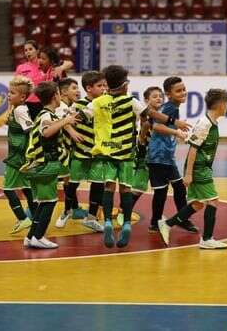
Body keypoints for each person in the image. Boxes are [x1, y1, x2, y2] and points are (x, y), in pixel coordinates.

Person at [79, 65, 191, 249]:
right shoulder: (131, 101)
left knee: (109, 187)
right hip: (125, 153)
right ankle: (126, 226)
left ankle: (107, 222)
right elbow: (151, 114)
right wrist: (174, 121)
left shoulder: (97, 102)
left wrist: (66, 120)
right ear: (124, 85)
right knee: (125, 189)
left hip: (106, 153)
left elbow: (81, 117)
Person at [158, 89, 227, 250]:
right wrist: (189, 174)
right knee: (213, 200)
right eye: (226, 103)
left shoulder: (211, 122)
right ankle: (207, 239)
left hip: (203, 167)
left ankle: (167, 224)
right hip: (198, 168)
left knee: (197, 204)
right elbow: (193, 149)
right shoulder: (205, 124)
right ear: (220, 104)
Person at [21, 81, 78, 249]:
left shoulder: (46, 114)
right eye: (59, 94)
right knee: (49, 202)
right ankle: (39, 236)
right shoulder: (46, 115)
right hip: (45, 164)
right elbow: (46, 132)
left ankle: (31, 236)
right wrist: (65, 120)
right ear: (55, 96)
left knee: (43, 202)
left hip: (41, 165)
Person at [131, 86, 187, 232]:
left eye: (160, 96)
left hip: (164, 157)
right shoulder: (148, 115)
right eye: (155, 96)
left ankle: (180, 219)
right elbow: (145, 130)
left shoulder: (161, 113)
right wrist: (142, 144)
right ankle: (127, 212)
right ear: (146, 100)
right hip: (150, 156)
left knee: (175, 188)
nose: (159, 98)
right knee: (140, 188)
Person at [147, 77, 197, 233]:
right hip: (158, 156)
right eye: (178, 91)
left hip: (166, 157)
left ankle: (180, 219)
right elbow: (155, 126)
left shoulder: (172, 107)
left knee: (179, 188)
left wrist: (178, 134)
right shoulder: (170, 108)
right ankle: (155, 223)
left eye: (184, 89)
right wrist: (177, 131)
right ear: (169, 94)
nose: (183, 93)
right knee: (162, 191)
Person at [69, 71, 108, 233]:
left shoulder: (106, 104)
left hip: (98, 152)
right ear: (89, 88)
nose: (104, 89)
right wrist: (72, 131)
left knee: (99, 184)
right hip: (80, 152)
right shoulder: (78, 105)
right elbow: (65, 121)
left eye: (105, 85)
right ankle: (68, 210)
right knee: (72, 183)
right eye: (100, 86)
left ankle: (91, 218)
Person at [2, 76, 37, 234]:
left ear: (22, 97)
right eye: (9, 92)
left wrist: (31, 152)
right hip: (19, 154)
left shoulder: (21, 110)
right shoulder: (17, 108)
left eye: (12, 93)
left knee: (8, 189)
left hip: (18, 156)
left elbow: (31, 129)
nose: (9, 95)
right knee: (27, 188)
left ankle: (23, 219)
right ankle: (37, 218)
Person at [54, 77, 88, 228]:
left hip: (67, 150)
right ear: (63, 92)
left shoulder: (72, 106)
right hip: (58, 151)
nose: (78, 91)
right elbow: (64, 121)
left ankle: (72, 209)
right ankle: (34, 209)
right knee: (63, 181)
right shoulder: (61, 106)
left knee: (69, 180)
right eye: (74, 88)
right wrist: (72, 132)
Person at [15, 41, 73, 120]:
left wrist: (61, 68)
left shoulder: (52, 68)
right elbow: (15, 88)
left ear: (37, 51)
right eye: (25, 50)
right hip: (32, 103)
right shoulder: (22, 67)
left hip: (52, 103)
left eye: (30, 49)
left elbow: (69, 63)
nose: (28, 52)